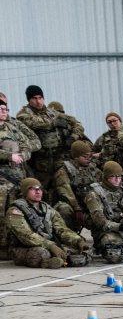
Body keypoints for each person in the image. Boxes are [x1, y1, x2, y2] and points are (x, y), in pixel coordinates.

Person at [8, 177, 90, 268]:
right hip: (23, 248)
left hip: (49, 244)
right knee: (41, 253)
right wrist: (50, 246)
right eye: (32, 189)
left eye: (39, 189)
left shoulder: (47, 209)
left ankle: (61, 260)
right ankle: (48, 262)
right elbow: (25, 235)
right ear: (25, 192)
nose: (38, 192)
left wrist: (78, 241)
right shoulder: (15, 211)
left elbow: (62, 230)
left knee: (81, 250)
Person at [17, 85, 85, 188]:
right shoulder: (23, 114)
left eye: (40, 98)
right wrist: (54, 123)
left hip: (59, 157)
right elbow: (34, 123)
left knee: (65, 185)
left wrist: (73, 137)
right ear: (29, 100)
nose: (38, 101)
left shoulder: (52, 112)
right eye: (34, 98)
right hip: (40, 162)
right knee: (41, 188)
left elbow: (77, 123)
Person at [0, 99, 35, 260]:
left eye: (6, 109)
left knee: (14, 211)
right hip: (2, 180)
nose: (4, 112)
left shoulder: (12, 128)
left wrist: (23, 155)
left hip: (17, 178)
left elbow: (28, 144)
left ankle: (12, 245)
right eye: (1, 109)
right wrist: (9, 156)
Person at [52, 140, 101, 233]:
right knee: (63, 209)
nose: (88, 159)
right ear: (76, 157)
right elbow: (66, 192)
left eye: (90, 156)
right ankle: (69, 235)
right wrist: (77, 209)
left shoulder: (92, 168)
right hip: (74, 206)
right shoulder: (64, 171)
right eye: (85, 157)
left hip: (90, 205)